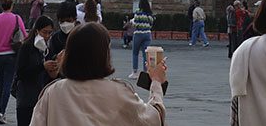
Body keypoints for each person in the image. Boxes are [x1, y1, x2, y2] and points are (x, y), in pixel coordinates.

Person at [31, 21, 167, 124]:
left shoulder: (53, 92)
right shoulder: (118, 92)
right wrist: (156, 82)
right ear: (104, 54)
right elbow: (152, 119)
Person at [0, 0, 28, 125]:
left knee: (0, 83)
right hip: (11, 54)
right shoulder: (16, 18)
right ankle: (2, 112)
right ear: (12, 4)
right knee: (8, 83)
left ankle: (1, 110)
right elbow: (24, 36)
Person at [14, 14, 56, 126]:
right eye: (44, 32)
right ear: (37, 31)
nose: (47, 36)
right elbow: (20, 72)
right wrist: (42, 67)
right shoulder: (27, 47)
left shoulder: (48, 49)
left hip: (42, 97)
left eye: (49, 32)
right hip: (27, 98)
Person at [129, 0, 154, 79]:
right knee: (145, 55)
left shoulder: (138, 12)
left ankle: (135, 72)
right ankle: (145, 72)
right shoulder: (150, 13)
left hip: (138, 34)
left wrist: (132, 22)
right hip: (147, 34)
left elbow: (136, 24)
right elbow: (151, 24)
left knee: (135, 53)